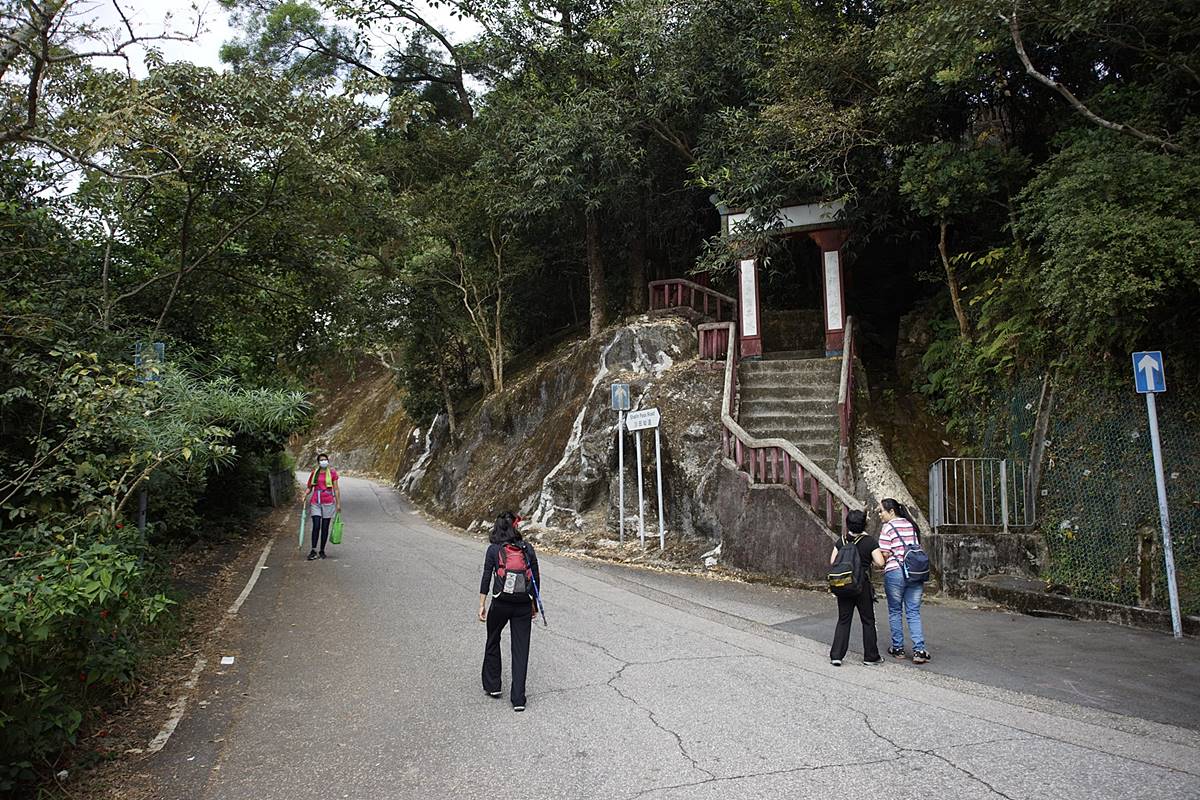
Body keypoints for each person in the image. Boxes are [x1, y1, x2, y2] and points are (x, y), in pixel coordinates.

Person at [479, 512, 540, 711]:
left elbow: (486, 577)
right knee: (521, 649)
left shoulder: (493, 550)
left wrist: (482, 604)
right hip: (523, 604)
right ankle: (518, 699)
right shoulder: (527, 548)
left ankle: (493, 685)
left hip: (500, 603)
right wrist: (534, 604)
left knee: (493, 638)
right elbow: (535, 578)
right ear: (515, 527)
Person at [829, 509, 885, 667]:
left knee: (843, 620)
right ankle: (870, 656)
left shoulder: (841, 541)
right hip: (862, 585)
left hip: (844, 584)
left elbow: (833, 561)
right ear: (864, 524)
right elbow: (880, 562)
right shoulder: (869, 542)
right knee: (867, 620)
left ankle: (836, 655)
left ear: (847, 524)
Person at [878, 498, 930, 663]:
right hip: (914, 572)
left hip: (895, 572)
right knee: (913, 612)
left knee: (895, 611)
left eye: (881, 511)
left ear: (891, 511)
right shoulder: (911, 524)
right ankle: (919, 650)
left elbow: (885, 554)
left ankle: (898, 648)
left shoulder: (888, 527)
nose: (880, 514)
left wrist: (877, 561)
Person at [304, 453, 341, 561]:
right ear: (318, 462)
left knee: (325, 527)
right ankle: (313, 550)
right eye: (321, 460)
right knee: (316, 525)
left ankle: (322, 550)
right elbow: (309, 487)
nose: (323, 461)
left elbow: (336, 489)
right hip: (316, 501)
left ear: (328, 461)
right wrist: (305, 494)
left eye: (325, 460)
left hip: (328, 502)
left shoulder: (332, 473)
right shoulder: (314, 473)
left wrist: (338, 503)